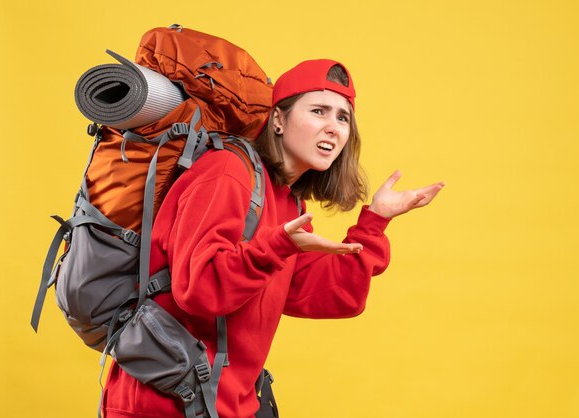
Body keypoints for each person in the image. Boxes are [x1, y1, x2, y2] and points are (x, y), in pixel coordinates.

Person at [102, 59, 444, 418]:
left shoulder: (285, 200)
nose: (333, 128)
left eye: (343, 117)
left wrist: (375, 221)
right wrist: (279, 245)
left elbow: (328, 293)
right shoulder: (228, 172)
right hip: (162, 403)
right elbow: (199, 288)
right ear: (278, 120)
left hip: (226, 402)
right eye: (318, 111)